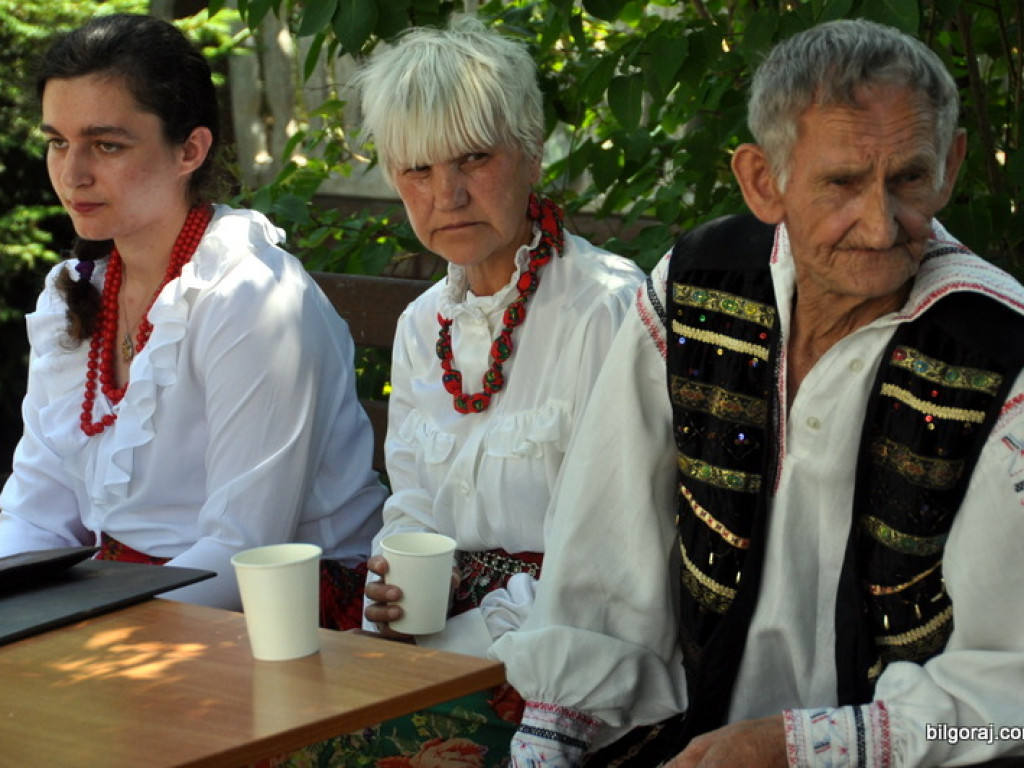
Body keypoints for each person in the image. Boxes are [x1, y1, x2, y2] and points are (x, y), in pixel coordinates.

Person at [491, 18, 1024, 768]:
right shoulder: (700, 283)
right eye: (842, 183)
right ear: (762, 181)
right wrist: (557, 732)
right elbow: (607, 536)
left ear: (951, 165)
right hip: (694, 739)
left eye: (909, 178)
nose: (880, 227)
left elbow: (1005, 714)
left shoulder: (1003, 357)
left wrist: (803, 748)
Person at [265, 14, 644, 768]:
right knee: (255, 714)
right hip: (440, 639)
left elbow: (611, 563)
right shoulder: (421, 325)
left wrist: (448, 643)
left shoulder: (607, 309)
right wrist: (394, 595)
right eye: (418, 169)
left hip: (566, 656)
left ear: (531, 153)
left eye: (474, 157)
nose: (449, 193)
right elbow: (412, 506)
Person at [0, 13, 387, 625]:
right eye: (58, 142)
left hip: (273, 612)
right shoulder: (74, 294)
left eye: (106, 145)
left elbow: (245, 548)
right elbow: (34, 512)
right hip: (119, 599)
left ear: (190, 150)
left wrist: (92, 633)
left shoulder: (249, 297)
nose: (72, 173)